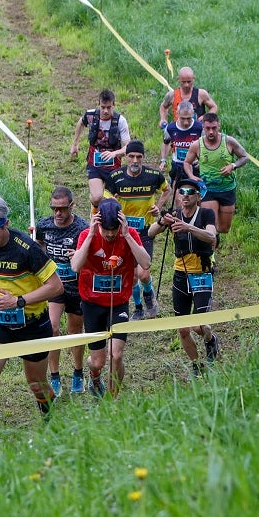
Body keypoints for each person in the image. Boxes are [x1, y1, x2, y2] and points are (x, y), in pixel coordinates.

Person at [0, 195, 64, 429]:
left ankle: (53, 424)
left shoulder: (28, 249)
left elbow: (56, 286)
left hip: (32, 322)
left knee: (36, 383)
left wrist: (19, 301)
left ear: (6, 224)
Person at [70, 199, 150, 397]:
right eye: (106, 229)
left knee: (116, 354)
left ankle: (112, 401)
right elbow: (75, 267)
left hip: (119, 302)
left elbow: (146, 263)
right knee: (98, 361)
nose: (110, 234)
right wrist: (90, 235)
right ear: (99, 224)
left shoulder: (128, 234)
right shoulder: (85, 235)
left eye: (114, 229)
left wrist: (127, 236)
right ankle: (94, 375)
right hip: (92, 303)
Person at [146, 177, 219, 377]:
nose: (185, 195)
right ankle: (197, 366)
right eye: (182, 192)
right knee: (183, 329)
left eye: (190, 192)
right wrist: (162, 221)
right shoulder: (174, 214)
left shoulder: (206, 213)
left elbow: (211, 236)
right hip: (180, 274)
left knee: (200, 325)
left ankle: (211, 340)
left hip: (202, 273)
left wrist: (187, 228)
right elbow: (151, 233)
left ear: (198, 197)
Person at [103, 140, 170, 320]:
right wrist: (112, 202)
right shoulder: (116, 176)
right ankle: (138, 308)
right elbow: (106, 194)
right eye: (131, 156)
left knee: (143, 272)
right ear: (125, 157)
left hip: (144, 231)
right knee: (132, 277)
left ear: (143, 158)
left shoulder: (153, 175)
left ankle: (148, 294)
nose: (134, 160)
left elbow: (167, 190)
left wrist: (158, 207)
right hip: (123, 232)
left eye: (138, 157)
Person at [35, 187, 89, 396]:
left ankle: (78, 372)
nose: (58, 213)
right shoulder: (44, 225)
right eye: (54, 209)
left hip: (77, 288)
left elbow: (90, 255)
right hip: (55, 287)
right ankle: (55, 376)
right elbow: (39, 245)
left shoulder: (82, 228)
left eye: (62, 209)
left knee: (75, 332)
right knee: (53, 329)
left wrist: (78, 254)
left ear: (71, 206)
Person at [184, 112, 249, 237]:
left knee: (224, 228)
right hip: (208, 190)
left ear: (218, 126)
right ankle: (210, 252)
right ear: (203, 127)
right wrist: (192, 177)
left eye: (214, 128)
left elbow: (245, 157)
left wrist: (233, 166)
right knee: (210, 227)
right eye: (208, 128)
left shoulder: (229, 141)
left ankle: (214, 238)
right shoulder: (197, 145)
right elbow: (187, 162)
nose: (211, 132)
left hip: (227, 189)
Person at [69, 88, 131, 211]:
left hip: (113, 164)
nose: (106, 111)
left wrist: (114, 153)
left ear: (114, 105)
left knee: (112, 200)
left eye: (109, 107)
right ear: (98, 104)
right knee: (97, 197)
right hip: (95, 161)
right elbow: (81, 122)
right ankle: (95, 214)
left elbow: (127, 147)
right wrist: (75, 144)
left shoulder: (120, 121)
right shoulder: (91, 115)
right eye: (103, 107)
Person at [160, 101, 203, 183]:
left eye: (189, 118)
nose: (186, 122)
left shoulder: (199, 127)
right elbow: (166, 143)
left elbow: (206, 145)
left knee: (195, 192)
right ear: (177, 114)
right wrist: (163, 160)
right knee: (176, 190)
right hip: (177, 164)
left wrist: (203, 160)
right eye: (183, 118)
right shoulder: (170, 128)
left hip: (194, 165)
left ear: (193, 113)